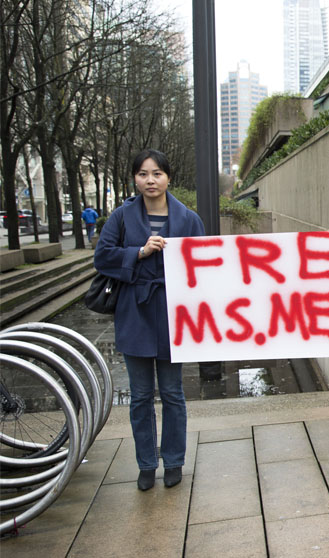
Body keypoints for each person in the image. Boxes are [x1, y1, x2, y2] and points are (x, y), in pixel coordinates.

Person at [94, 149, 204, 491]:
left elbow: (204, 264)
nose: (150, 180)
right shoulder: (122, 216)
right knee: (140, 394)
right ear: (135, 179)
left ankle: (173, 461)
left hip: (174, 314)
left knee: (172, 392)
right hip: (135, 312)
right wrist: (139, 252)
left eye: (157, 173)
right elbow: (102, 257)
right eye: (143, 174)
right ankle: (145, 463)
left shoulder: (188, 218)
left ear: (168, 177)